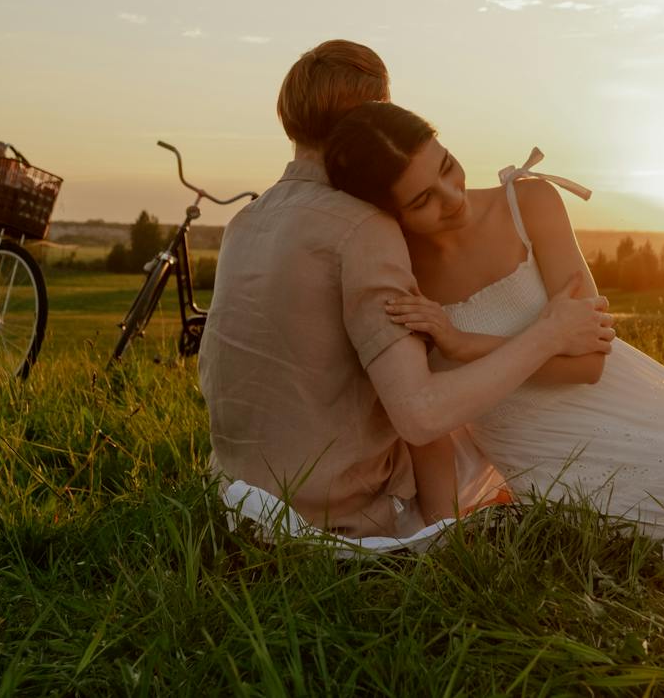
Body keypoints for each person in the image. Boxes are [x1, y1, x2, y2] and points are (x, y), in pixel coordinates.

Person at [324, 101, 664, 549]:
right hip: (545, 465)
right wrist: (441, 537)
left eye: (446, 167)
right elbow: (431, 427)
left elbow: (587, 361)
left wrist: (462, 344)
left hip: (628, 409)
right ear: (387, 213)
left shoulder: (529, 203)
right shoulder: (399, 275)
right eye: (422, 200)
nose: (452, 199)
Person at [198, 41, 616, 538]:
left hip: (237, 501)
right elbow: (421, 416)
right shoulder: (361, 227)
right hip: (343, 514)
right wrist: (547, 335)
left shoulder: (244, 223)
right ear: (369, 123)